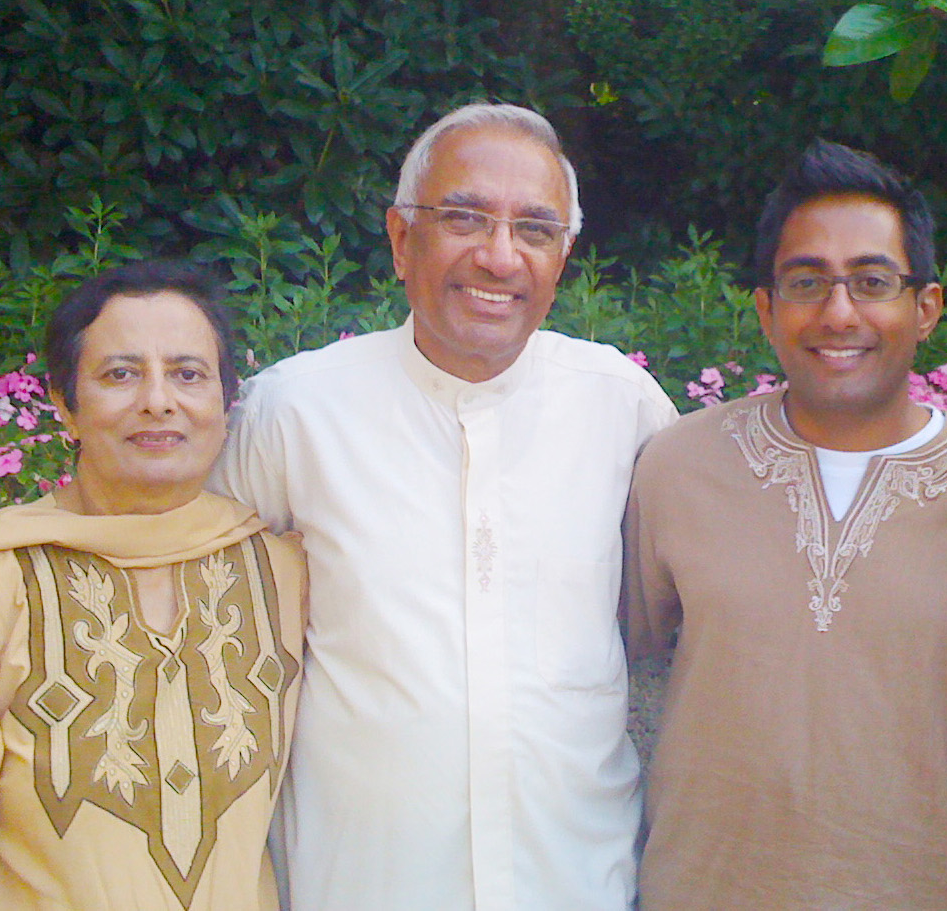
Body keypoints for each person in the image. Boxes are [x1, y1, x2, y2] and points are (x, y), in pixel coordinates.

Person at [212, 103, 677, 909]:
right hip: (360, 885)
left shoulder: (621, 405)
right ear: (401, 240)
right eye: (464, 218)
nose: (498, 257)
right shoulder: (293, 412)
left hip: (576, 884)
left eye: (534, 230)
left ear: (562, 258)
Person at [622, 139, 947, 910]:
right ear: (765, 308)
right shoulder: (676, 468)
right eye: (806, 282)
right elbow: (617, 656)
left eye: (871, 281)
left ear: (924, 307)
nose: (838, 312)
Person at [0, 262, 306, 909]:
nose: (158, 400)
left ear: (226, 401)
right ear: (65, 403)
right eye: (120, 374)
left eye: (188, 373)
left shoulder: (280, 575)